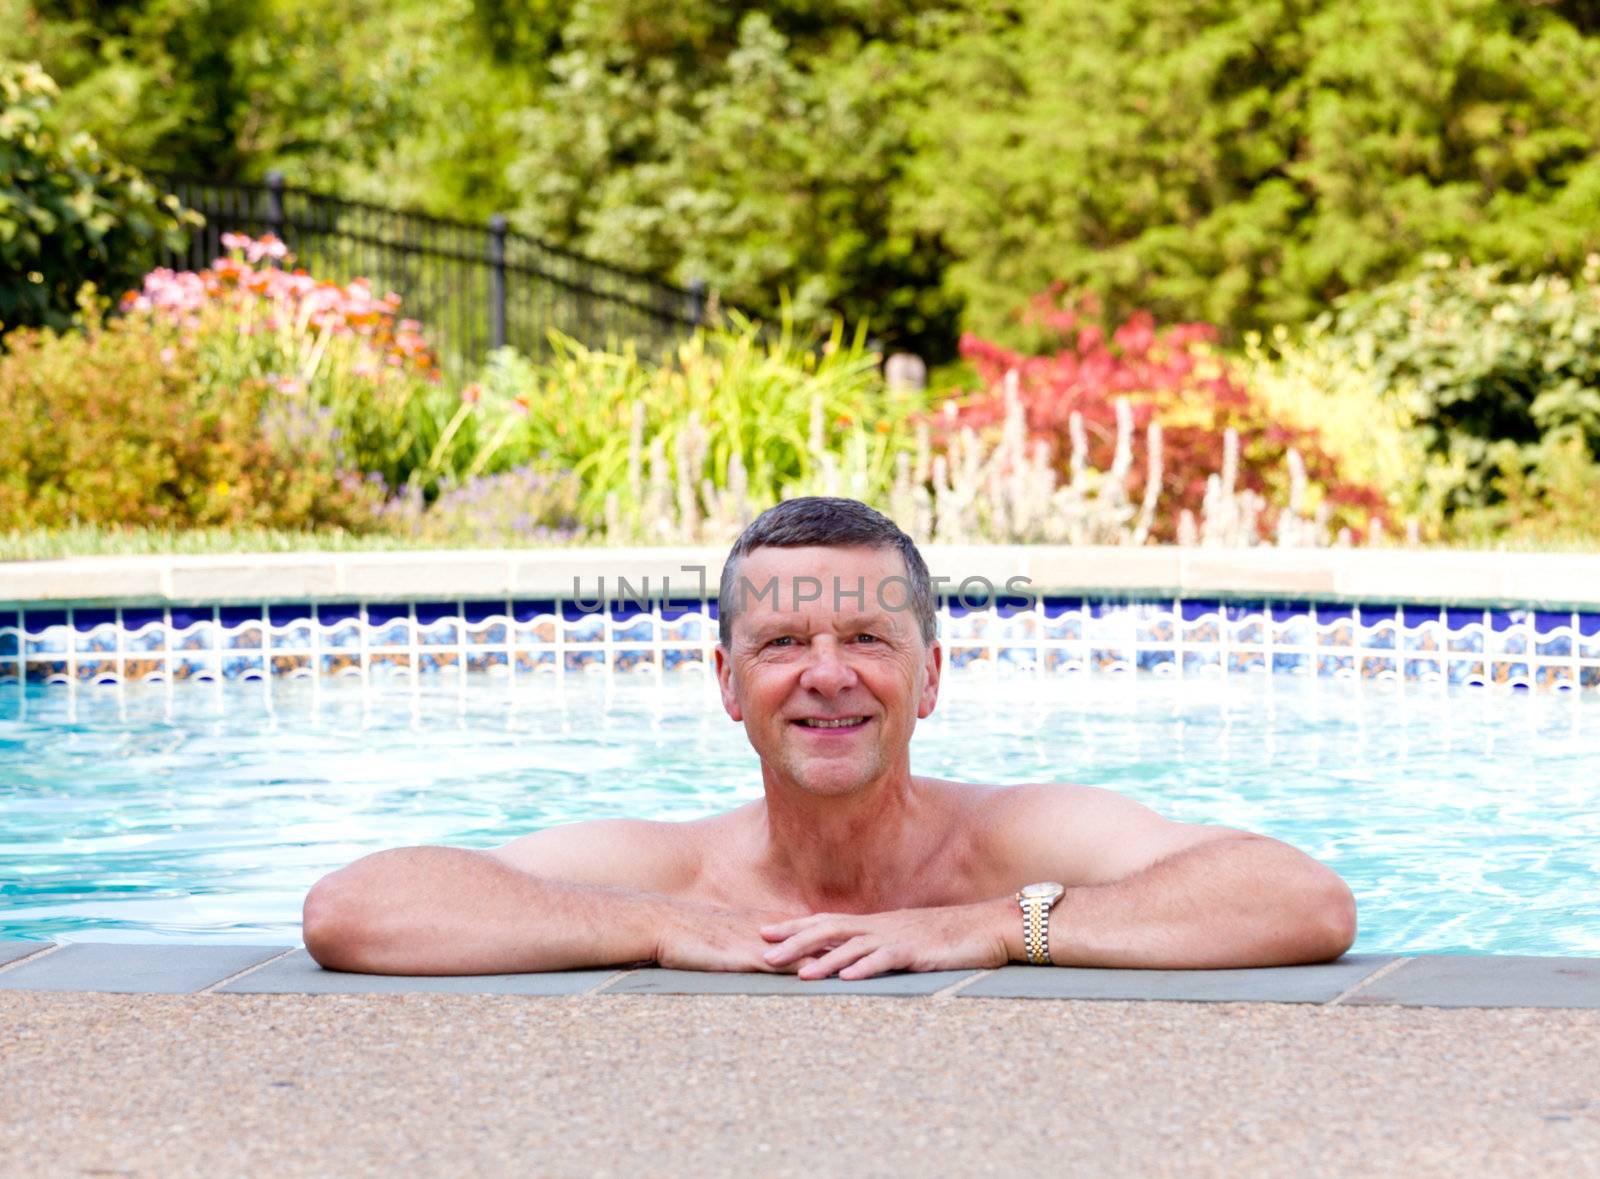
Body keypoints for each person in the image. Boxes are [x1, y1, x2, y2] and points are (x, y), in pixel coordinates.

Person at [303, 496, 1356, 978]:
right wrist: (654, 928)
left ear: (929, 676)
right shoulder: (680, 874)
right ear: (726, 683)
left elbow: (1297, 898)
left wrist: (994, 927)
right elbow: (356, 910)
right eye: (782, 643)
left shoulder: (1017, 842)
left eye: (866, 637)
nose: (826, 674)